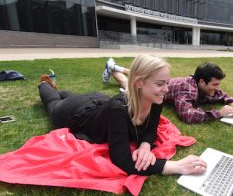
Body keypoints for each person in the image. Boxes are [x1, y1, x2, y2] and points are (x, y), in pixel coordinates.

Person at [39, 55, 207, 176]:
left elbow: (151, 130)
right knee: (54, 105)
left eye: (167, 83)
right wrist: (176, 166)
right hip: (78, 114)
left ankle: (59, 90)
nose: (166, 90)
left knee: (72, 95)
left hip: (100, 102)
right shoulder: (118, 111)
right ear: (139, 83)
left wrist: (145, 146)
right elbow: (122, 160)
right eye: (160, 84)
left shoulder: (156, 99)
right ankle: (44, 85)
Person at [164, 62, 233, 123]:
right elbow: (188, 115)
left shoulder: (201, 85)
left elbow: (221, 95)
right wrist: (219, 113)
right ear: (202, 82)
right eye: (215, 85)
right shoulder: (186, 89)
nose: (217, 88)